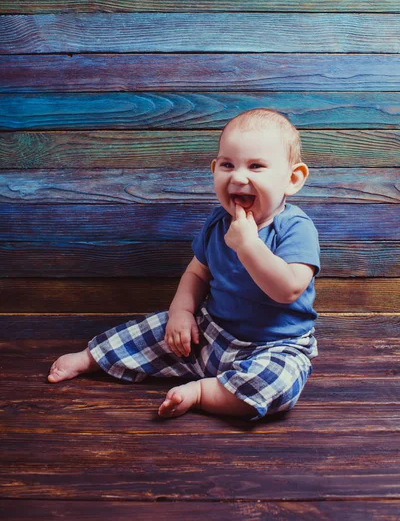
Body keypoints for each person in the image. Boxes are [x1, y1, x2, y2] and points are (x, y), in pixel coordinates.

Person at [48, 108, 320, 422]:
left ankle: (203, 393)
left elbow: (288, 289)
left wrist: (248, 245)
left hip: (273, 345)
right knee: (156, 329)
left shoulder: (295, 228)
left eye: (256, 166)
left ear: (292, 179)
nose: (238, 177)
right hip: (212, 331)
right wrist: (181, 311)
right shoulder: (218, 221)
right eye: (228, 165)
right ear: (215, 168)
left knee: (277, 385)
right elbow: (197, 271)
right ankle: (91, 358)